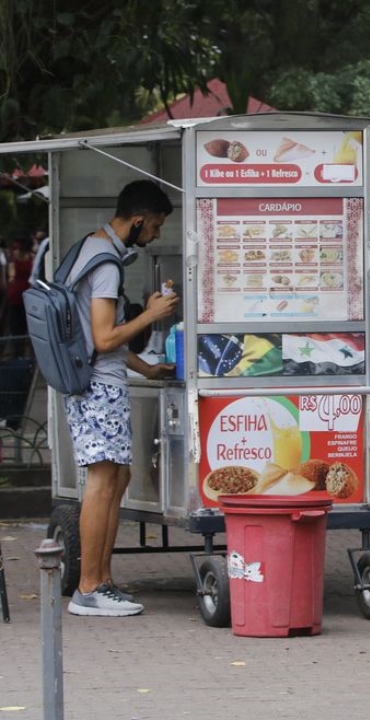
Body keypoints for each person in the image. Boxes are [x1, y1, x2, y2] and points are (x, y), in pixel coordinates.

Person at [66, 180, 180, 617]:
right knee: (101, 481)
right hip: (98, 385)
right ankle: (89, 587)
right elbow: (104, 335)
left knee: (118, 478)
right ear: (137, 221)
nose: (155, 235)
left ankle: (102, 579)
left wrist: (146, 368)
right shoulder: (108, 265)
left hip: (94, 379)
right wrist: (150, 315)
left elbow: (100, 340)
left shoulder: (87, 247)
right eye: (154, 226)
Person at [5, 236, 34, 357]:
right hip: (18, 296)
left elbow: (11, 276)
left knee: (20, 325)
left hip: (22, 294)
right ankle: (19, 352)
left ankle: (22, 352)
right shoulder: (25, 260)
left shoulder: (26, 259)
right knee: (17, 325)